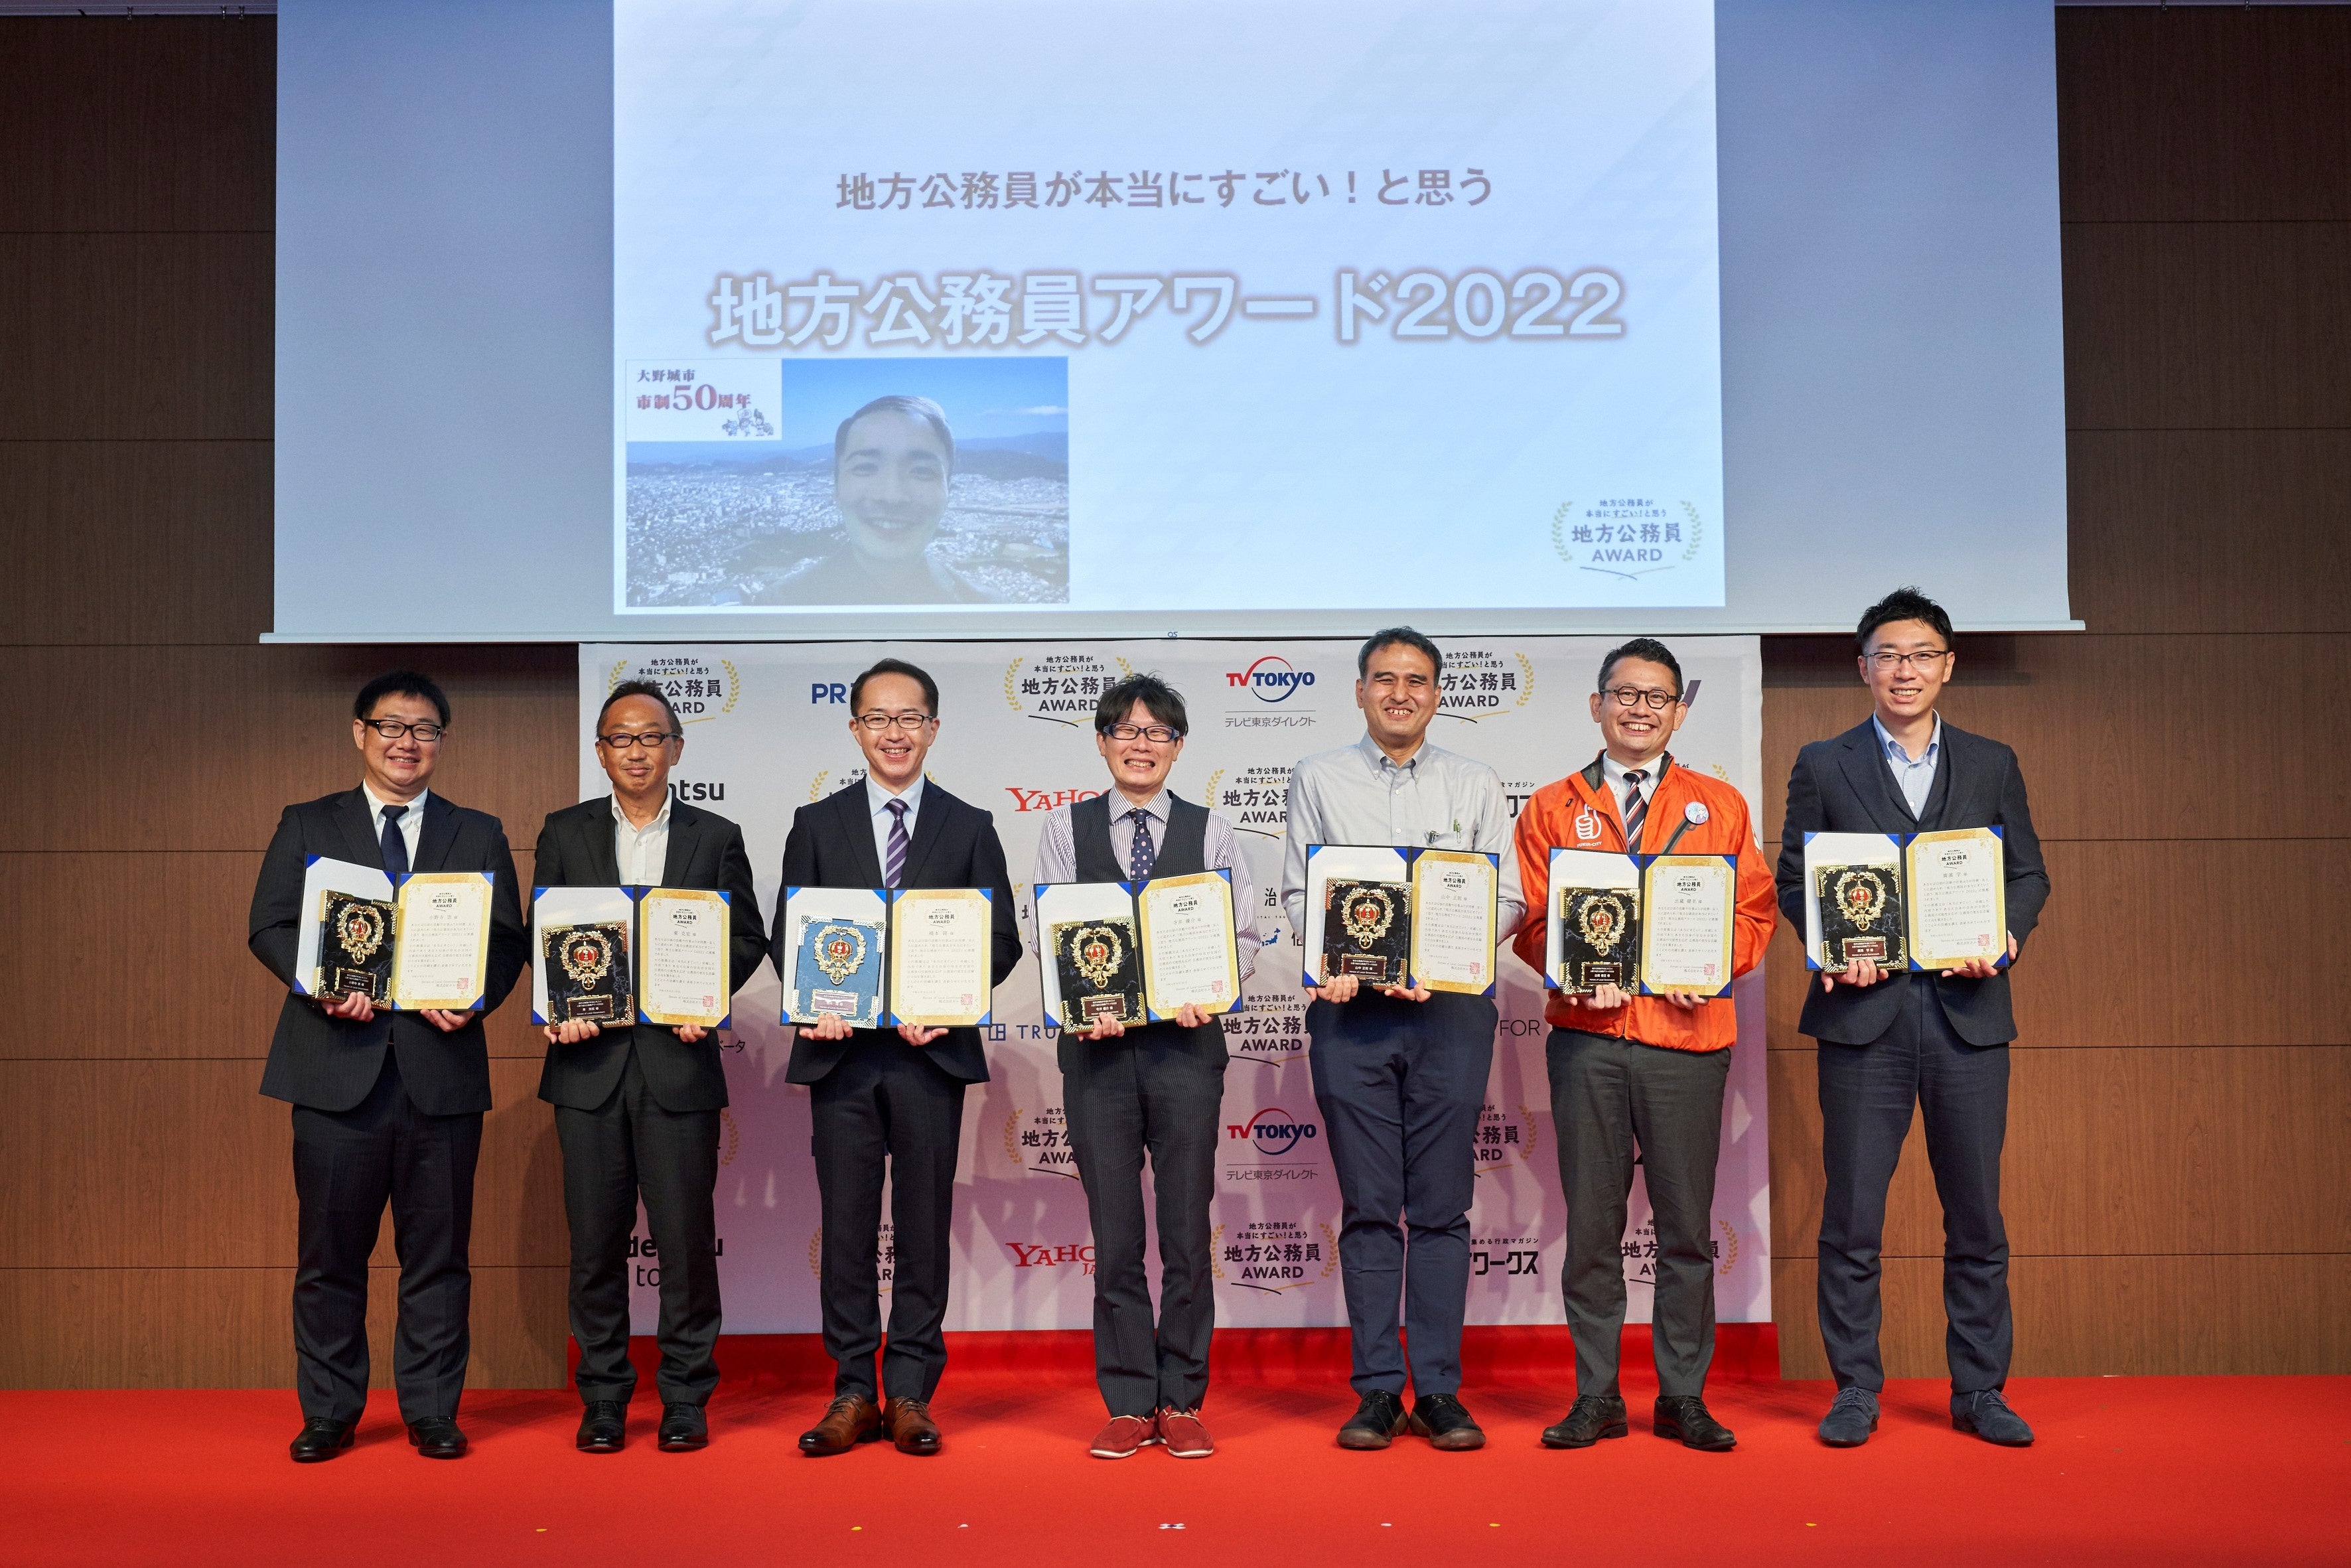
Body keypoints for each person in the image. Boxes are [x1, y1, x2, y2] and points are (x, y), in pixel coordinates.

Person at [1775, 587, 2050, 1449]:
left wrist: (2003, 937)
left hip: (1970, 1017)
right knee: (1853, 1218)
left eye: (1922, 653)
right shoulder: (1823, 763)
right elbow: (1795, 878)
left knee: (1976, 1217)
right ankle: (1855, 1387)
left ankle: (1979, 1389)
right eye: (1889, 654)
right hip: (1863, 1018)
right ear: (1863, 667)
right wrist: (1830, 946)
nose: (1905, 669)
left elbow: (2026, 873)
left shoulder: (1991, 761)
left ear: (1947, 666)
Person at [248, 671, 528, 1463]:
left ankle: (432, 1410)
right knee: (329, 1257)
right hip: (334, 1071)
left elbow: (507, 941)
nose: (408, 743)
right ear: (360, 733)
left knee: (437, 1257)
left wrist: (475, 997)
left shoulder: (478, 831)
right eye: (392, 727)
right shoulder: (309, 821)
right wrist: (320, 982)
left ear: (442, 742)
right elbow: (269, 923)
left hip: (441, 1074)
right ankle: (329, 1412)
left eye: (425, 729)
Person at [1510, 638, 1776, 1453]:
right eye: (1625, 694)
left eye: (1658, 697)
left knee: (1686, 1227)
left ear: (1679, 712)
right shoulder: (1551, 806)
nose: (1640, 709)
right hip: (1588, 1037)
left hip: (1687, 1038)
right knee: (1592, 1226)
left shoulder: (1718, 804)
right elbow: (1528, 920)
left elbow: (1754, 912)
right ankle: (1596, 1394)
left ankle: (1683, 1395)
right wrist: (1572, 969)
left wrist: (1711, 965)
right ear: (1597, 704)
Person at [1279, 628, 1523, 1452]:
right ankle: (1380, 1389)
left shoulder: (1475, 781)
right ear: (1360, 691)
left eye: (1417, 680)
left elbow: (1508, 897)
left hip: (1450, 1013)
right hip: (1352, 1015)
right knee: (1371, 1208)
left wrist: (1446, 956)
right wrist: (1336, 959)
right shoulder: (1317, 776)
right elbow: (1298, 892)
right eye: (1384, 678)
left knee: (1444, 1208)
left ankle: (1442, 1390)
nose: (1400, 693)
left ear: (1438, 693)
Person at [776, 658, 1022, 1457]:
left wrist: (947, 1004)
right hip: (842, 1059)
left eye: (909, 717)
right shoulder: (816, 823)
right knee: (847, 1228)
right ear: (855, 729)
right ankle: (853, 1389)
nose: (894, 732)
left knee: (922, 1226)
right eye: (878, 717)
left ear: (933, 728)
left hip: (929, 1059)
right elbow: (791, 936)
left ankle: (911, 1389)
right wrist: (815, 1003)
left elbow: (1002, 938)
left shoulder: (969, 824)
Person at [1029, 674, 1261, 1461]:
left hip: (1187, 1051)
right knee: (1117, 1233)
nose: (1141, 743)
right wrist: (1079, 999)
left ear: (1178, 746)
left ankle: (1182, 1397)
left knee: (1188, 1230)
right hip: (1096, 1053)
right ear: (1102, 742)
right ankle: (1130, 1400)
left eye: (1157, 731)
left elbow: (1246, 936)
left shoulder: (1212, 829)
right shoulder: (1065, 828)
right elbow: (1048, 929)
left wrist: (1214, 987)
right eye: (1126, 730)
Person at [534, 679, 768, 1455]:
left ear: (676, 748)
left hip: (678, 1061)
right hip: (587, 1065)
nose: (636, 750)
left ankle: (685, 1397)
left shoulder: (716, 834)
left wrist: (708, 995)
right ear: (601, 751)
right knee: (594, 1245)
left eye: (650, 736)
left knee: (685, 1241)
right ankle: (603, 1397)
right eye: (621, 737)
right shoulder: (564, 831)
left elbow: (746, 936)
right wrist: (557, 1003)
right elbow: (545, 933)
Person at [744, 395, 988, 605]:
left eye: (922, 471)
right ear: (837, 487)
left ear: (948, 491)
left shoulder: (985, 607)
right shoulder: (778, 606)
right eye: (865, 467)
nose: (892, 496)